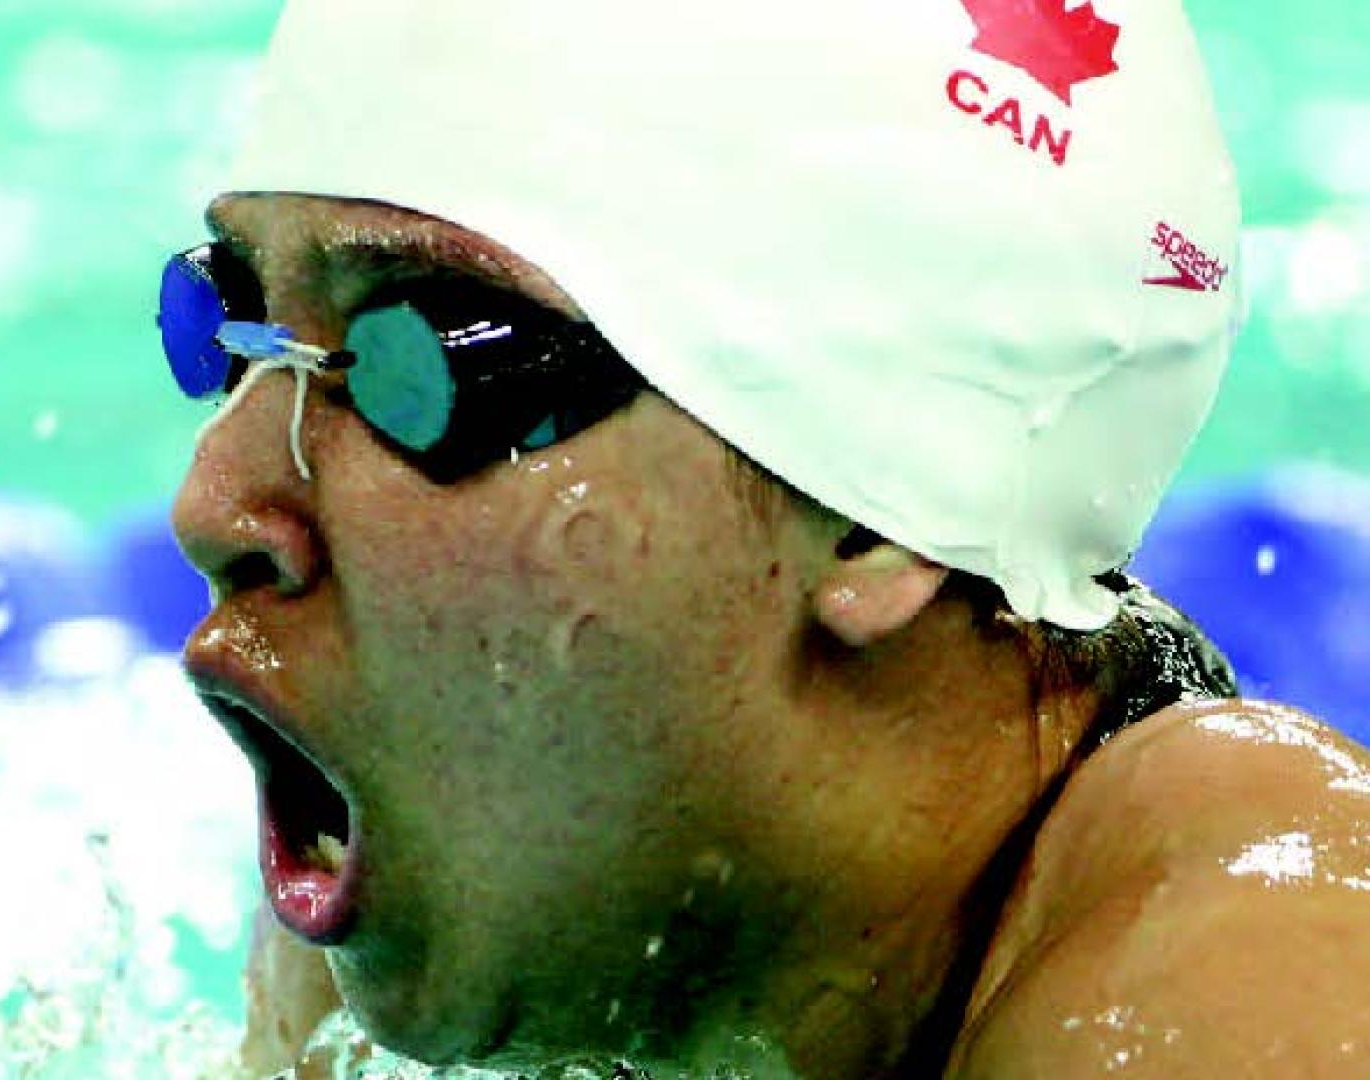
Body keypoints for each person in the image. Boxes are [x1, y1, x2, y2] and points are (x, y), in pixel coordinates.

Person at [159, 1, 1370, 1076]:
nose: (214, 503)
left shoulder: (1259, 972)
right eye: (236, 316)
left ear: (880, 510)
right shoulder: (450, 850)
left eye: (423, 361)